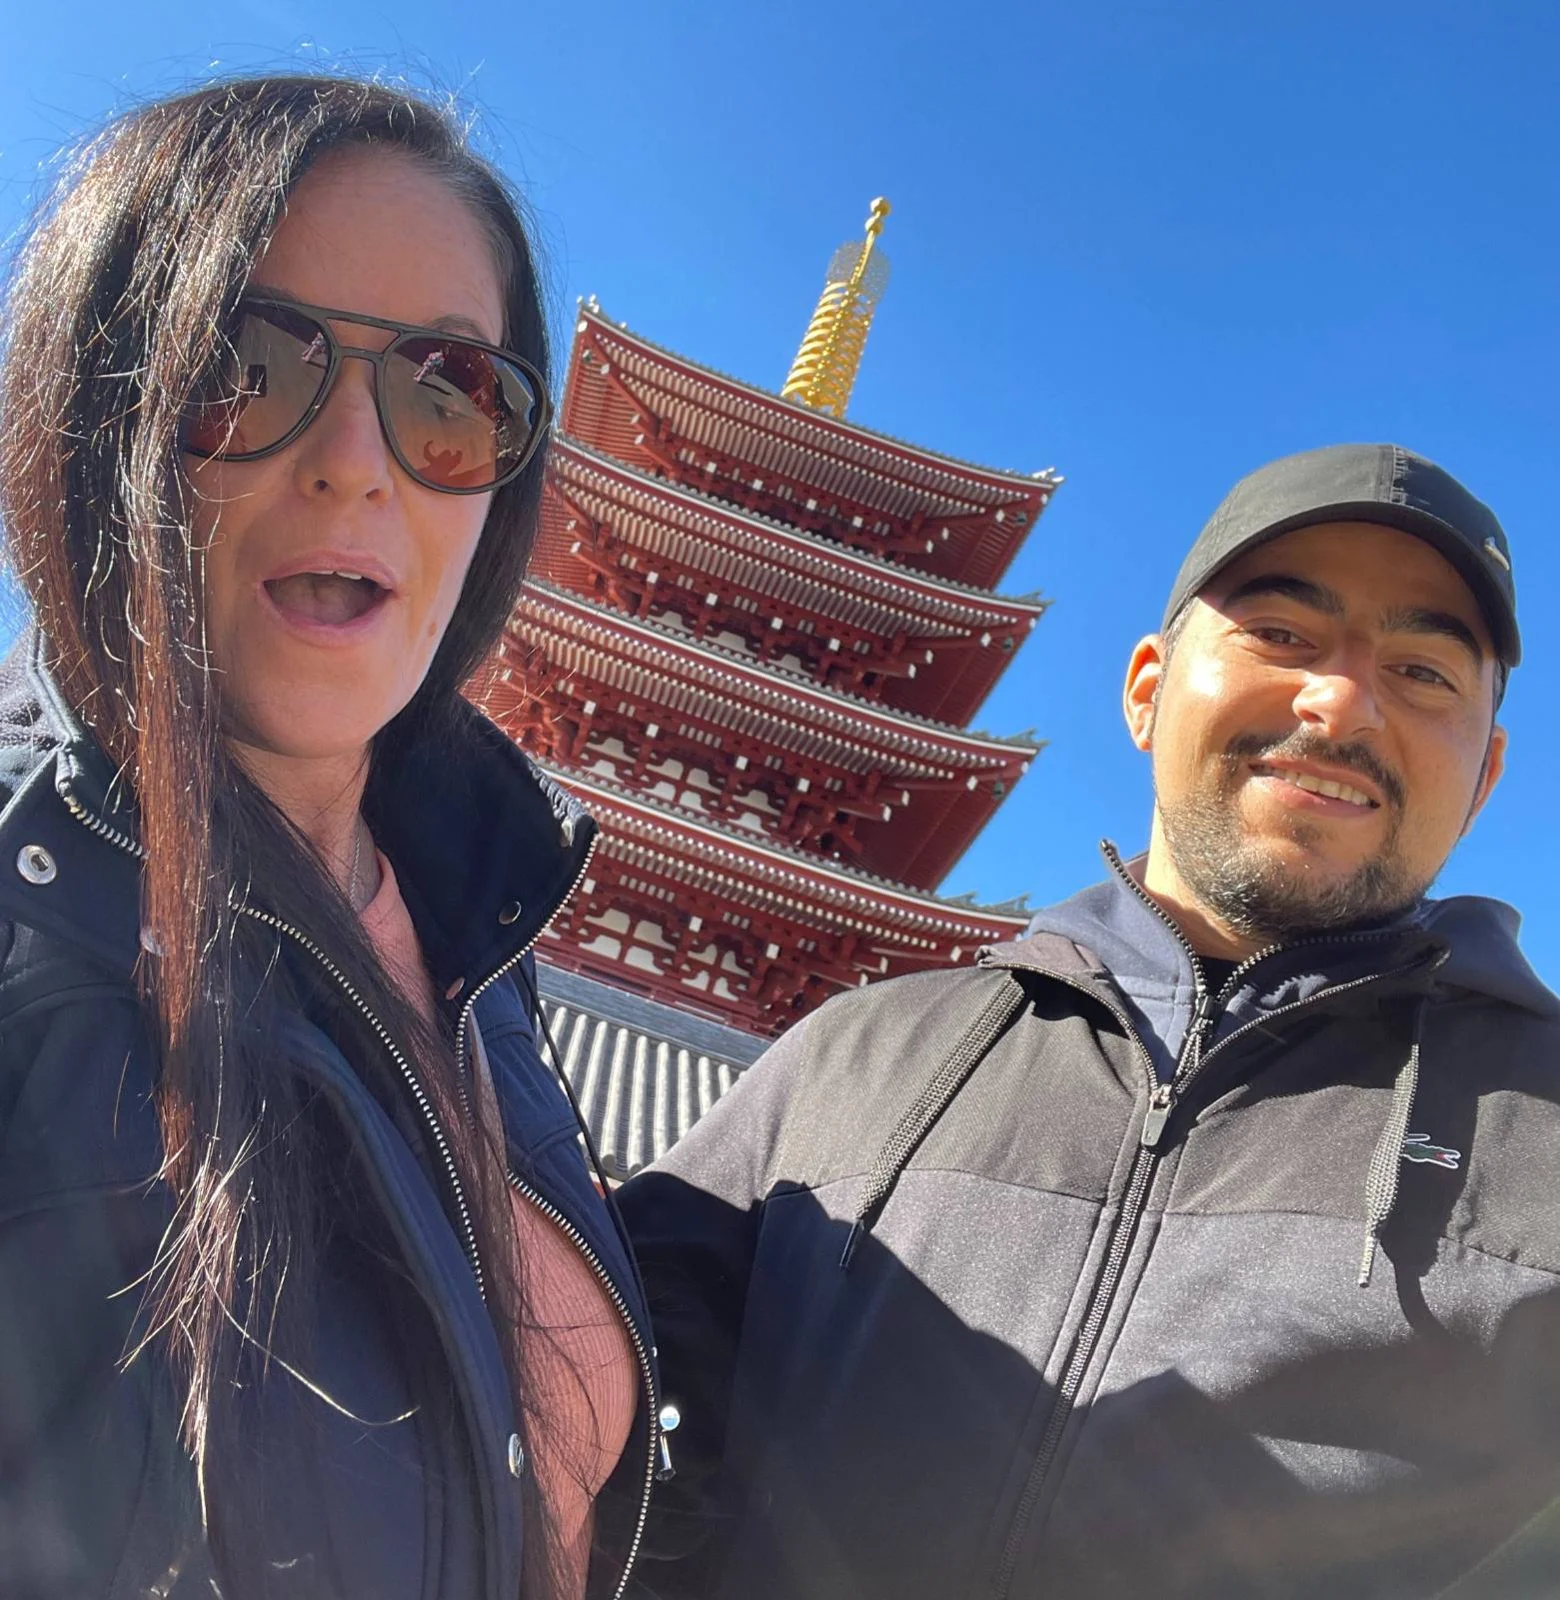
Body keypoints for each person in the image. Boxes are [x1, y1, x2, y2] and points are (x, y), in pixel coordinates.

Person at [615, 444, 1560, 1599]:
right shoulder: (855, 1059)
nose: (1341, 699)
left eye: (1423, 671)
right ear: (1148, 688)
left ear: (1488, 774)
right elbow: (566, 1415)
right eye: (1283, 636)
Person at [0, 76, 664, 1600]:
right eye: (247, 361)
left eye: (450, 392)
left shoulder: (488, 952)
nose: (359, 460)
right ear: (107, 402)